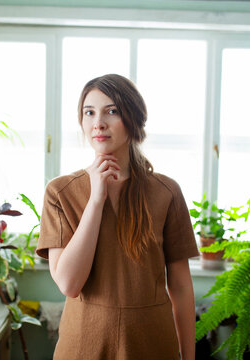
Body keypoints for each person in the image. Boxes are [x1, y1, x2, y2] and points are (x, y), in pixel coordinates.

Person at [37, 74, 198, 360]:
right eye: (89, 112)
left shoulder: (167, 192)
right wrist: (96, 199)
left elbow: (182, 286)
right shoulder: (60, 193)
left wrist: (188, 356)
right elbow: (69, 284)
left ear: (133, 119)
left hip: (153, 343)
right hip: (83, 344)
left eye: (111, 111)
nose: (98, 122)